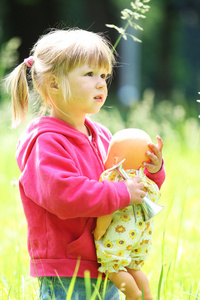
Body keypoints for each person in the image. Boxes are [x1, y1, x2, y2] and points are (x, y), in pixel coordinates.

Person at [5, 28, 165, 300]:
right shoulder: (46, 142)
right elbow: (63, 196)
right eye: (89, 75)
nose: (101, 83)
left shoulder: (102, 135)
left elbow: (129, 186)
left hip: (109, 260)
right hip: (68, 268)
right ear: (54, 83)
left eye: (103, 75)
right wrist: (121, 193)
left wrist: (151, 171)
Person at [93, 128, 165, 300]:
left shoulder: (114, 178)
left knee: (113, 267)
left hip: (121, 234)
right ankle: (146, 295)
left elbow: (108, 208)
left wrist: (99, 230)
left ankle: (133, 294)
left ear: (116, 159)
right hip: (142, 236)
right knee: (133, 267)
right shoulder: (147, 182)